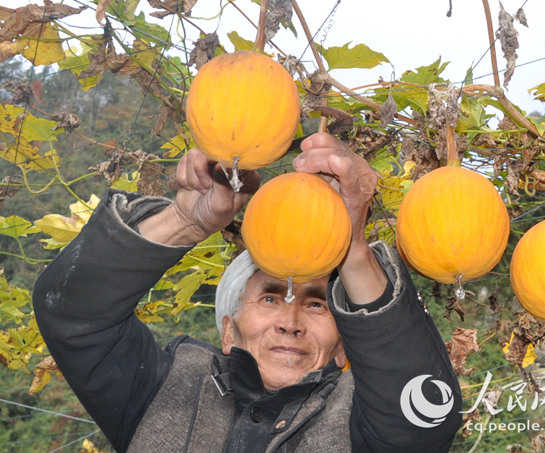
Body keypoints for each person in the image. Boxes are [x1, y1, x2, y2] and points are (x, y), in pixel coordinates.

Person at [33, 132, 462, 452]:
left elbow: (424, 416)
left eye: (316, 304)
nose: (289, 323)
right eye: (270, 298)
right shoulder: (159, 388)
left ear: (344, 350)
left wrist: (350, 249)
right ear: (228, 330)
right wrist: (185, 220)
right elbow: (72, 312)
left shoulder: (364, 419)